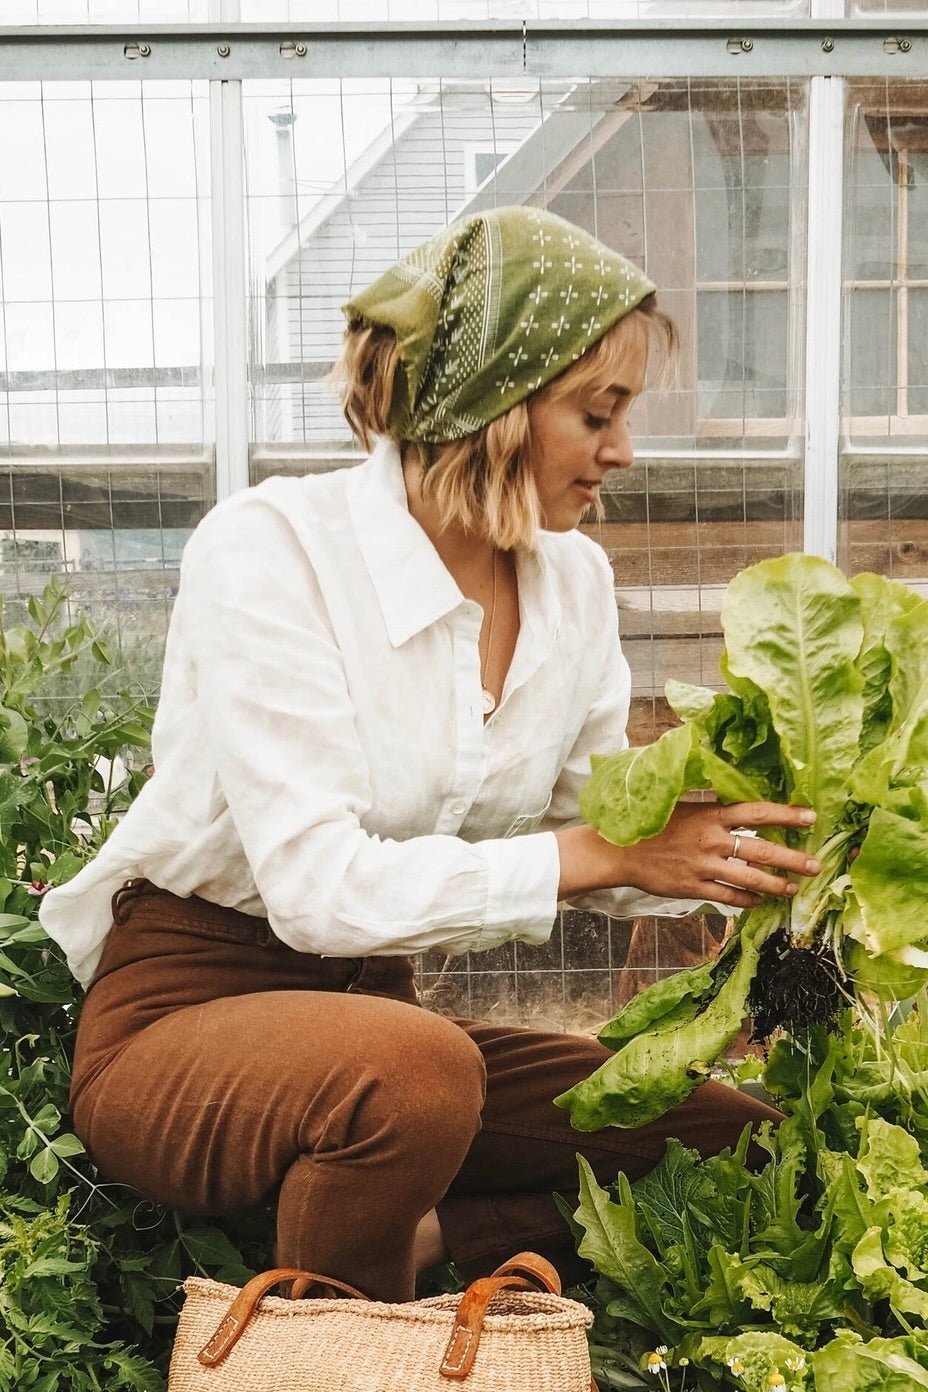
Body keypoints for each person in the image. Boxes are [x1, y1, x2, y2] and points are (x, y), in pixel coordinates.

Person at [40, 206, 820, 1304]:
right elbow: (317, 892)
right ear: (492, 406)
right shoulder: (274, 551)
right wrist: (599, 854)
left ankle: (429, 1243)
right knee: (415, 1071)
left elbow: (610, 829)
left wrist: (741, 846)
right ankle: (321, 1357)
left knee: (733, 1134)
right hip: (186, 1016)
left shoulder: (573, 582)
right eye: (597, 412)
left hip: (382, 1025)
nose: (623, 451)